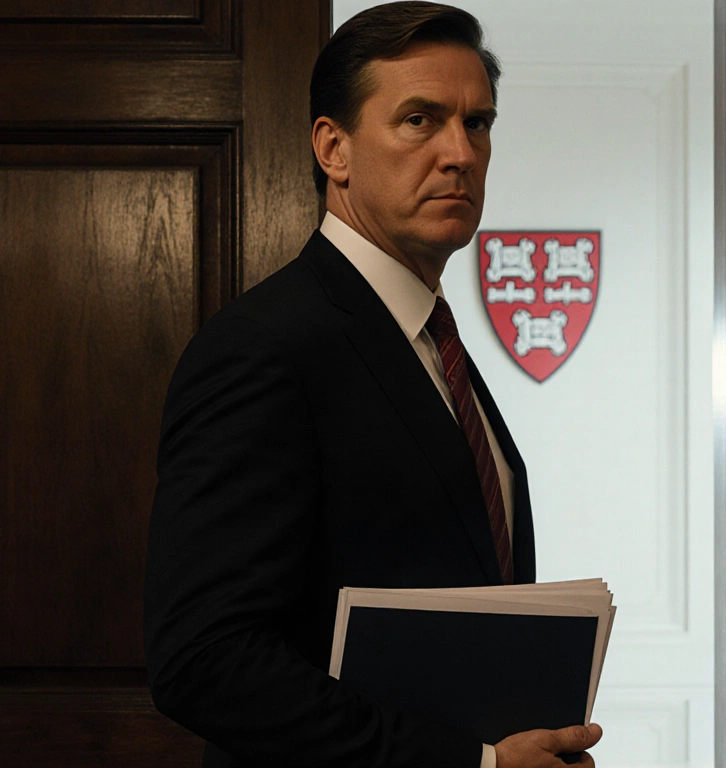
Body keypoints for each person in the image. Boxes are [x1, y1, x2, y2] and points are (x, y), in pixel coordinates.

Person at [143, 3, 604, 766]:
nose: (460, 152)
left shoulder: (431, 339)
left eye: (478, 123)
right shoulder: (263, 348)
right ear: (335, 148)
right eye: (420, 120)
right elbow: (204, 661)